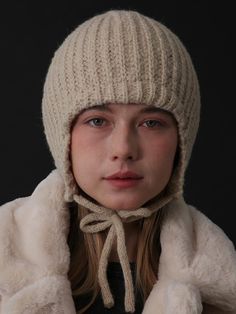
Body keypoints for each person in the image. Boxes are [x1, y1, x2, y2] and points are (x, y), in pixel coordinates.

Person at [0, 9, 236, 314]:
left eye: (151, 123)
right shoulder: (4, 256)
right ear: (63, 138)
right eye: (98, 120)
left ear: (181, 140)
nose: (123, 149)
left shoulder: (221, 282)